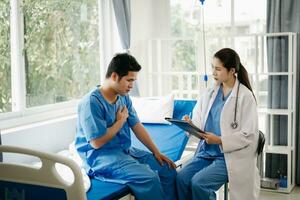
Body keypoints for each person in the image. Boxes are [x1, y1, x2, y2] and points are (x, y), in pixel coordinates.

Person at [75, 53, 177, 200]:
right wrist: (119, 123)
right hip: (100, 157)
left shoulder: (123, 96)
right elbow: (96, 143)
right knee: (150, 178)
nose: (132, 86)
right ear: (115, 76)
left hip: (123, 151)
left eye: (133, 81)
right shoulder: (91, 103)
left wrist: (156, 152)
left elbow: (136, 125)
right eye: (129, 80)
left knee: (168, 170)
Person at [176, 48, 260, 200]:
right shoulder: (210, 93)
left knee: (198, 183)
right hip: (206, 153)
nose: (213, 72)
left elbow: (249, 135)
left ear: (232, 70)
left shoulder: (245, 97)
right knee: (181, 178)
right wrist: (189, 123)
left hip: (229, 157)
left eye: (218, 69)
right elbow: (199, 122)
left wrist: (220, 140)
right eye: (212, 67)